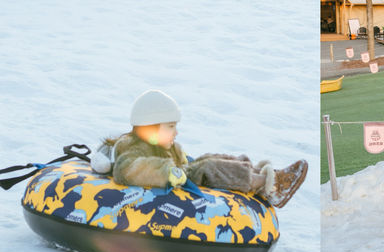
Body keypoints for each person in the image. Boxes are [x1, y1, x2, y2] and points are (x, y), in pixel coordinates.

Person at [90, 89, 307, 208]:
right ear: (152, 130)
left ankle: (258, 174)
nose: (176, 133)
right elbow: (127, 169)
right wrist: (167, 171)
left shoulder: (159, 145)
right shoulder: (131, 147)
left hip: (180, 172)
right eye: (171, 127)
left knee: (209, 158)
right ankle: (267, 185)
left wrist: (178, 160)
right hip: (174, 179)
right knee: (208, 168)